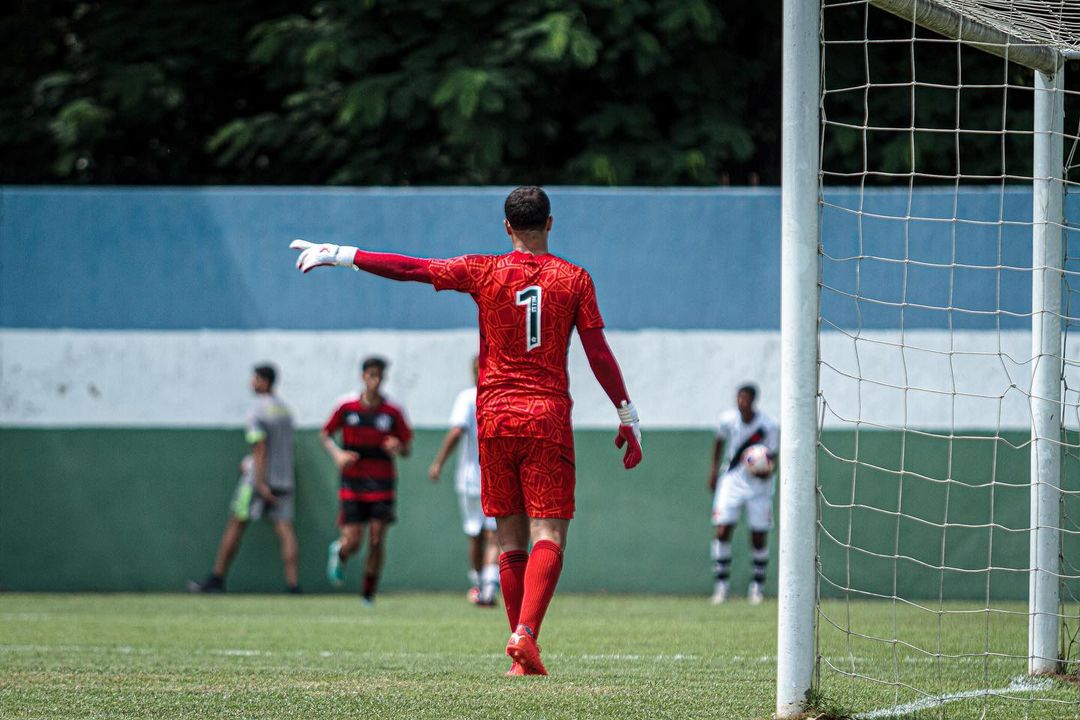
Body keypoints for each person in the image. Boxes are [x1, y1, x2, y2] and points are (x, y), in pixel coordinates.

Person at [290, 185, 642, 677]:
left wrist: (340, 255)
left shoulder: (484, 270)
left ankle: (521, 659)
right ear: (550, 223)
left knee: (510, 536)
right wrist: (625, 414)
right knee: (549, 533)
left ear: (506, 227)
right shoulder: (575, 279)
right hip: (545, 417)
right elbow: (597, 352)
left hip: (493, 418)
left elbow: (412, 268)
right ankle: (525, 635)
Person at [189, 364, 300, 594]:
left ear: (264, 381)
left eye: (255, 379)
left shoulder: (257, 412)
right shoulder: (286, 411)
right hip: (284, 478)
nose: (252, 383)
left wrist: (259, 481)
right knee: (285, 529)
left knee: (235, 524)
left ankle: (217, 579)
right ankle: (293, 585)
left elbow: (260, 447)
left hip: (258, 481)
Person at [321, 356, 413, 606]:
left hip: (382, 483)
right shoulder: (347, 407)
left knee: (376, 538)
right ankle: (340, 551)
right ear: (363, 376)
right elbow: (326, 434)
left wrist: (399, 447)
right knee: (353, 541)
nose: (376, 380)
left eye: (380, 376)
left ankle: (368, 592)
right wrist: (338, 454)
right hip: (353, 482)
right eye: (371, 375)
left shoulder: (392, 412)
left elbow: (407, 447)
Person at [429, 355, 500, 607]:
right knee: (494, 533)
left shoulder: (467, 398)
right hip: (495, 477)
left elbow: (457, 430)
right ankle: (489, 588)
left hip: (470, 479)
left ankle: (479, 585)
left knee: (475, 533)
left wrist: (438, 462)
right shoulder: (499, 396)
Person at [707, 384, 779, 605]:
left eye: (745, 399)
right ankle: (721, 588)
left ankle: (757, 588)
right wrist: (713, 470)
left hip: (758, 487)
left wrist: (767, 471)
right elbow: (719, 441)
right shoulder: (728, 420)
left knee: (758, 535)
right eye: (739, 398)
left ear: (754, 401)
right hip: (732, 481)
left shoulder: (769, 426)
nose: (741, 402)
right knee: (722, 530)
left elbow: (773, 457)